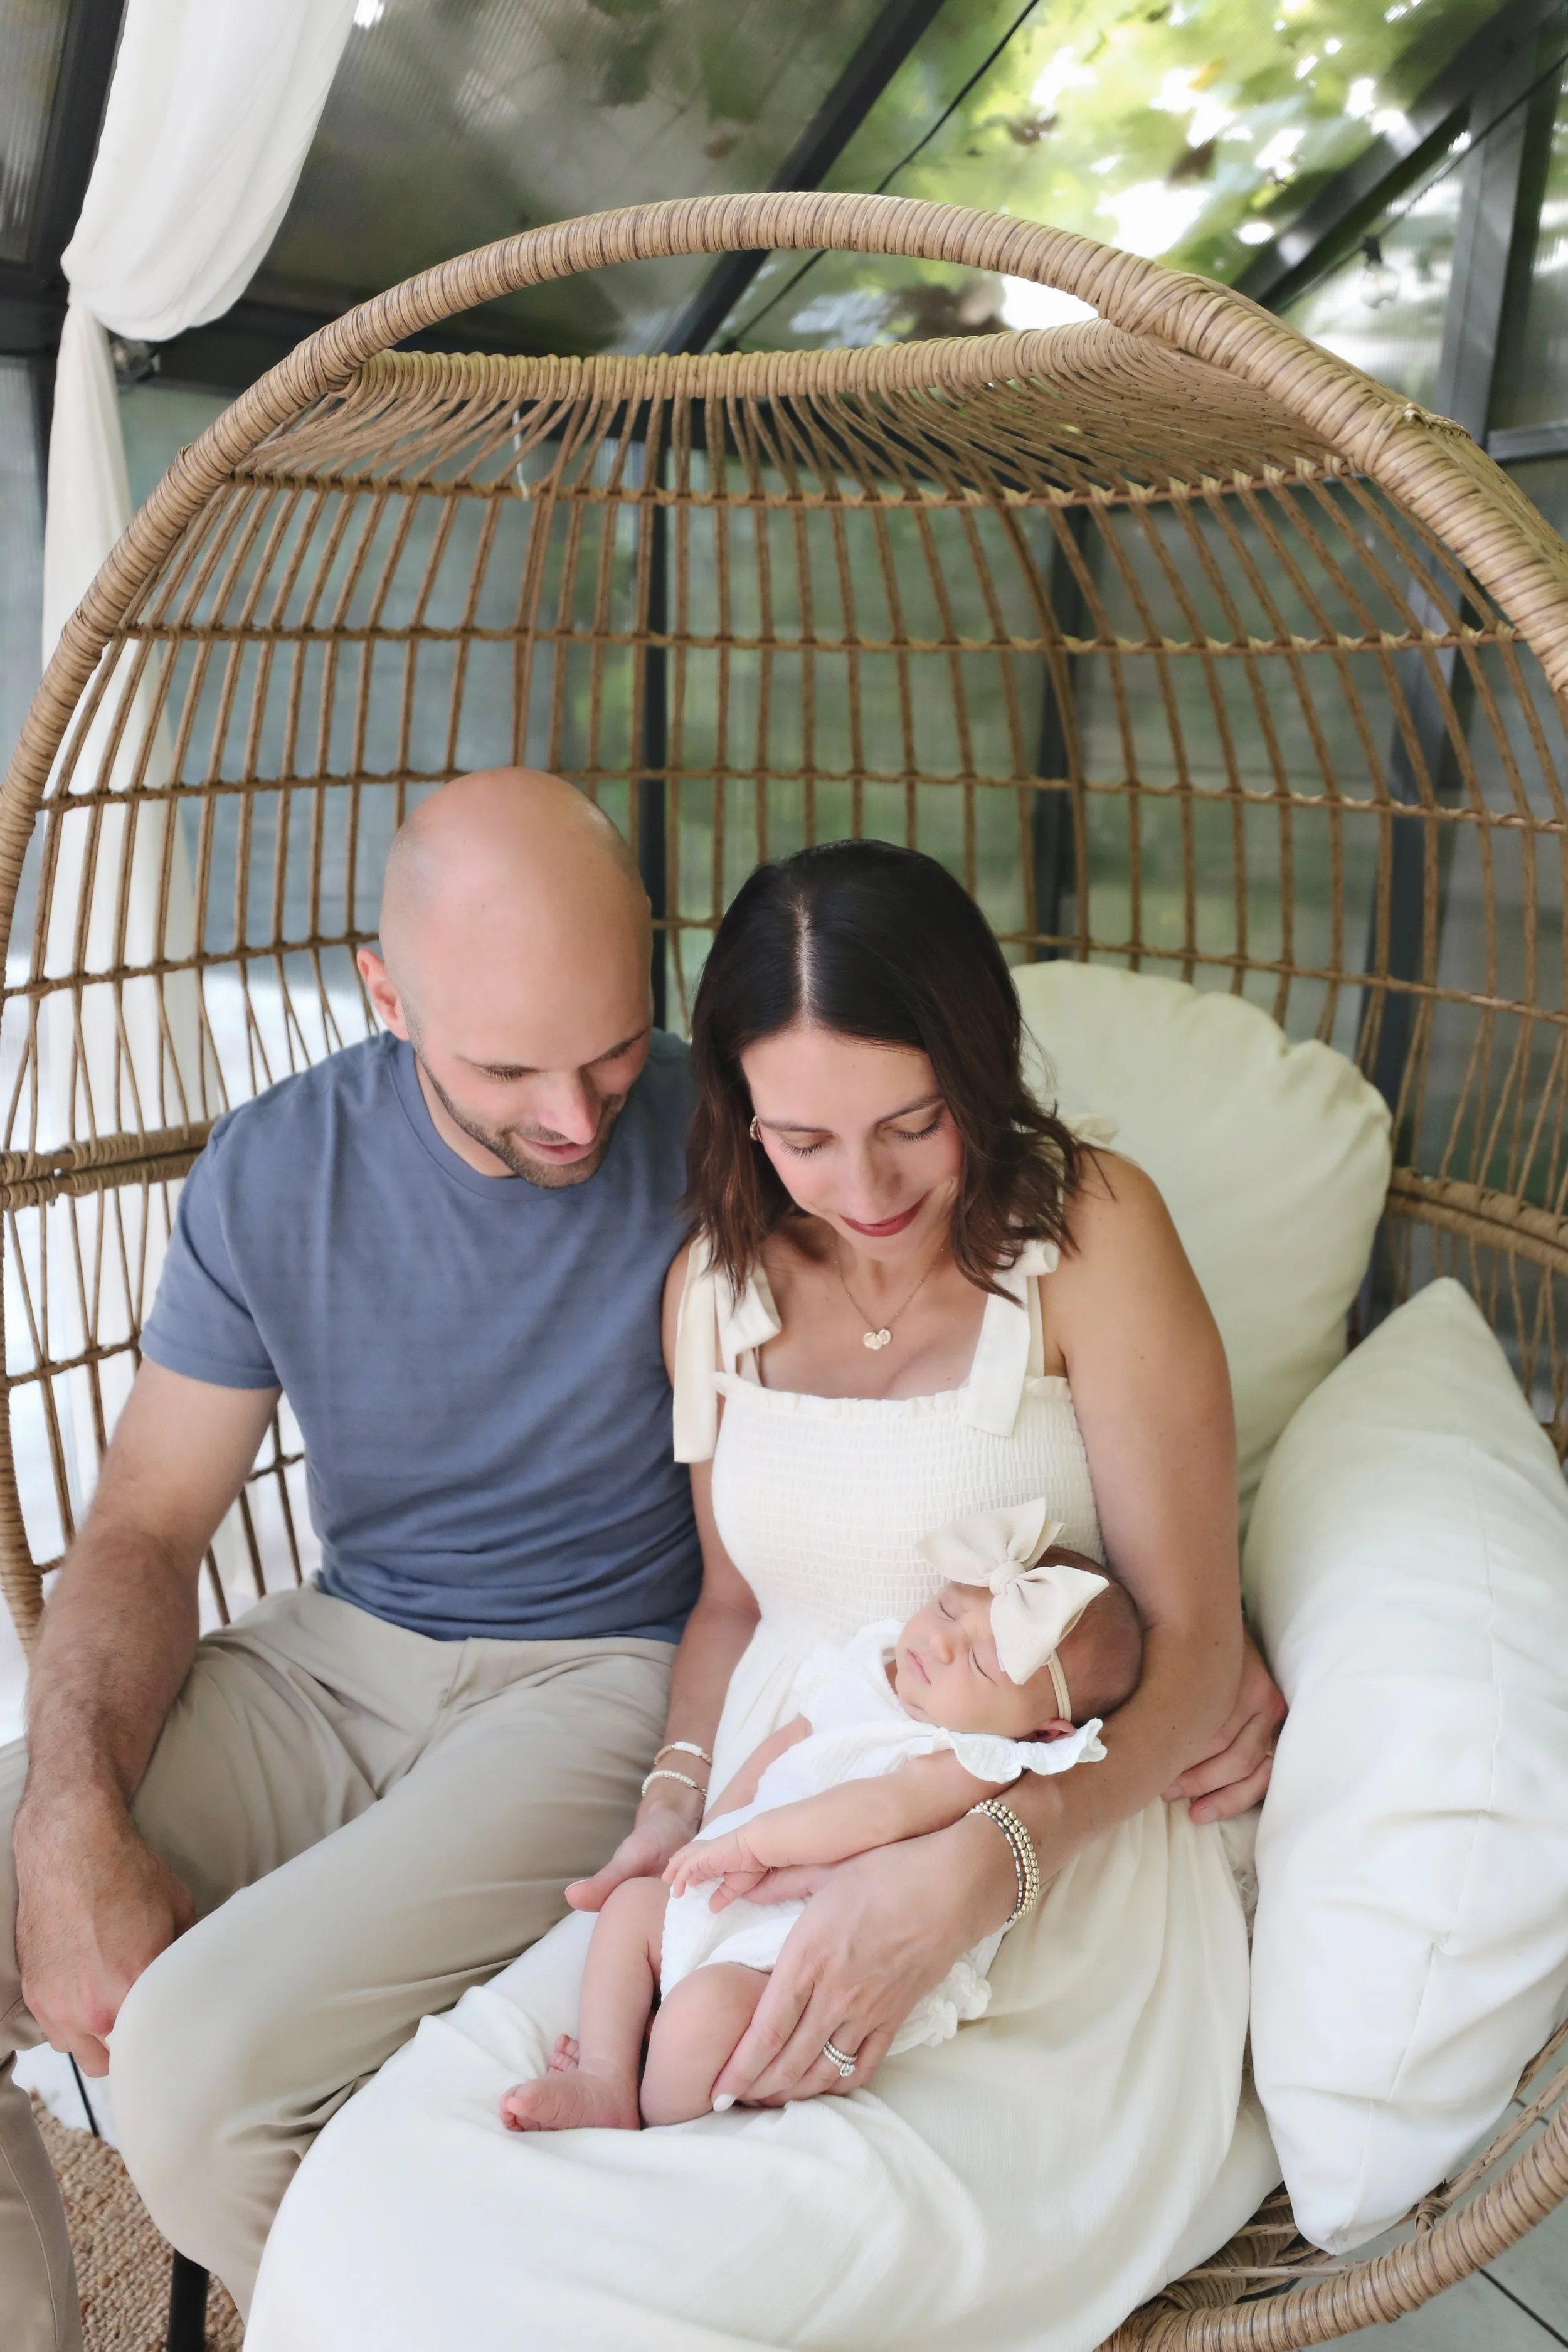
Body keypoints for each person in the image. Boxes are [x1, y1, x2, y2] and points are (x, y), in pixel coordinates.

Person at [248, 837, 1287, 2352]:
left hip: (1049, 1835)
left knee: (693, 2262)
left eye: (912, 1123)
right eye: (801, 1137)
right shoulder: (713, 1284)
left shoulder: (1092, 1233)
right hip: (761, 1828)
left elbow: (1191, 1647)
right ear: (737, 1108)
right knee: (380, 2217)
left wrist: (983, 1862)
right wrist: (674, 1805)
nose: (863, 1187)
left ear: (978, 1069)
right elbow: (731, 1605)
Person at [0, 766, 733, 2349]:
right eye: (508, 1066)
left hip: (603, 1680)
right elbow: (141, 1524)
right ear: (382, 993)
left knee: (191, 2081)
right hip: (343, 1648)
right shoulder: (276, 1171)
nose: (574, 1114)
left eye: (611, 1048)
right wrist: (67, 1821)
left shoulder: (722, 1140)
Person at [500, 1523, 1140, 2134]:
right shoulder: (870, 1670)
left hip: (809, 1942)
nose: (941, 1643)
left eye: (978, 1662)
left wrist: (752, 1843)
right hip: (738, 1883)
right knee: (630, 1911)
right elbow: (787, 1743)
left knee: (703, 2015)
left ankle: (656, 2123)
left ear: (1042, 1729)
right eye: (947, 1610)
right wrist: (719, 1827)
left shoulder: (979, 1757)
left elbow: (883, 1808)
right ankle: (607, 2077)